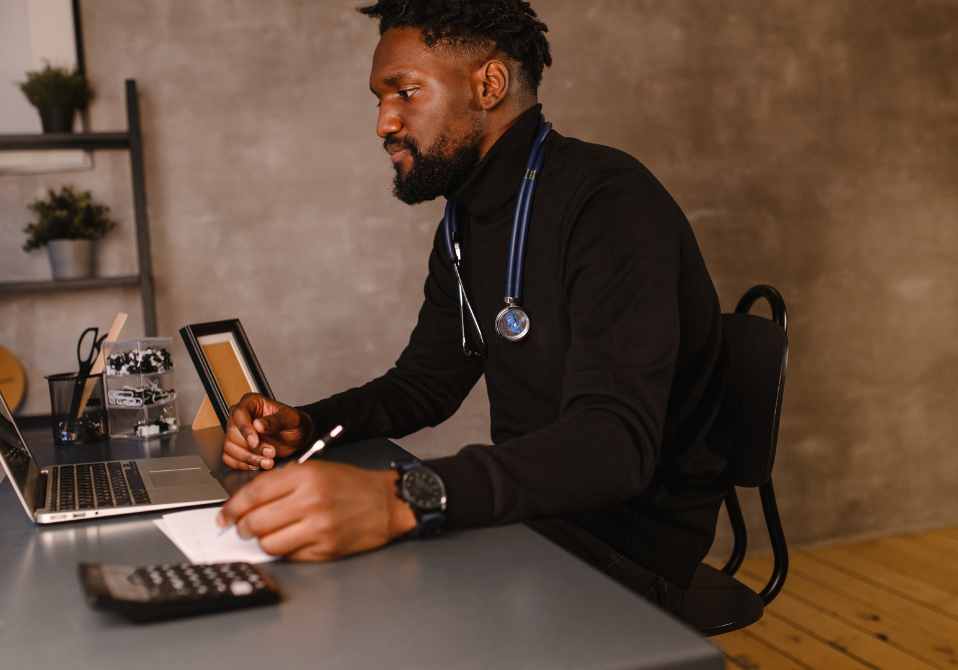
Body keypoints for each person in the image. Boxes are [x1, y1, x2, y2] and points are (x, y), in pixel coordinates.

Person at [215, 0, 731, 612]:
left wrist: (397, 497)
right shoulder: (464, 220)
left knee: (353, 602)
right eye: (379, 99)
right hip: (533, 512)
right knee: (310, 579)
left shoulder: (609, 204)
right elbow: (425, 384)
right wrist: (307, 424)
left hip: (625, 539)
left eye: (405, 91)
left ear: (488, 84)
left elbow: (613, 444)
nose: (384, 123)